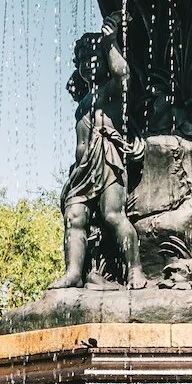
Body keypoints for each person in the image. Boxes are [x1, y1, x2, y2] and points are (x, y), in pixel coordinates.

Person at [56, 28, 141, 290]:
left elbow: (123, 74)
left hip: (107, 160)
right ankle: (74, 273)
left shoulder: (111, 89)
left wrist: (110, 42)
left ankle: (135, 271)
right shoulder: (85, 98)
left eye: (94, 58)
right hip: (82, 170)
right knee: (74, 217)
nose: (88, 64)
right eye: (82, 60)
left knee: (113, 215)